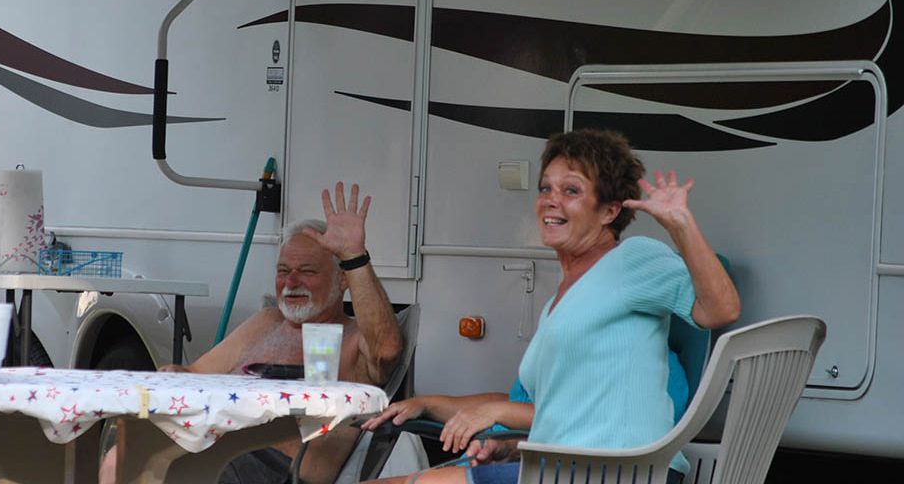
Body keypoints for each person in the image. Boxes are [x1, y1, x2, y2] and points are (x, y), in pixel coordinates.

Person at [361, 129, 740, 484]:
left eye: (571, 190)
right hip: (565, 468)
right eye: (546, 187)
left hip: (619, 472)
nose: (550, 199)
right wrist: (509, 448)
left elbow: (720, 311)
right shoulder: (559, 304)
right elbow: (568, 420)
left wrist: (681, 226)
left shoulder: (633, 259)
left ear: (609, 211)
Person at [102, 181, 404, 484]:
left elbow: (386, 350)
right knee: (121, 460)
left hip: (279, 465)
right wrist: (174, 373)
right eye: (283, 271)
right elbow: (196, 372)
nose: (291, 281)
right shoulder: (268, 321)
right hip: (217, 443)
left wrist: (354, 256)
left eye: (308, 271)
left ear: (342, 281)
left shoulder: (351, 338)